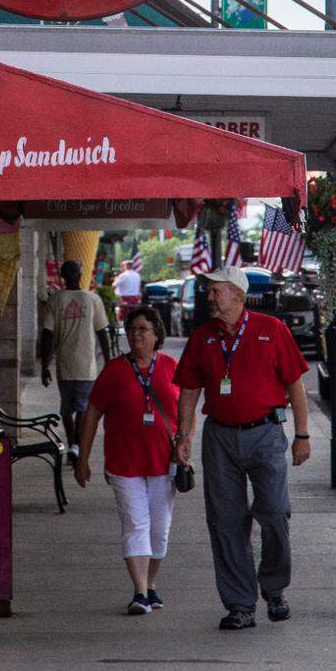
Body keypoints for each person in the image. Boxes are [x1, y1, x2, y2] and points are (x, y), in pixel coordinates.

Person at [174, 266, 310, 631]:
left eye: (215, 291)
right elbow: (189, 389)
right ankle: (240, 604)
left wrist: (303, 435)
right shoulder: (202, 337)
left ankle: (275, 588)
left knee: (275, 513)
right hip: (219, 437)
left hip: (265, 433)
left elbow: (295, 384)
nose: (209, 296)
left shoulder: (271, 329)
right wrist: (182, 435)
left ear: (236, 293)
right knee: (226, 522)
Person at [75, 306, 179, 615]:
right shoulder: (115, 370)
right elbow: (92, 414)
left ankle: (151, 585)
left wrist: (185, 440)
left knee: (159, 529)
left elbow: (185, 410)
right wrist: (83, 457)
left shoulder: (171, 367)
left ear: (156, 335)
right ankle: (139, 592)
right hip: (124, 463)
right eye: (132, 329)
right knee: (135, 523)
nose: (136, 334)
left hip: (163, 462)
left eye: (143, 329)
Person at [41, 260, 110, 454]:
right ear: (80, 276)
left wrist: (44, 367)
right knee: (82, 408)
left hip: (65, 365)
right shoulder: (92, 299)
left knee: (66, 409)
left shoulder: (56, 300)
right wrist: (109, 360)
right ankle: (76, 446)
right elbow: (102, 332)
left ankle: (73, 443)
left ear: (62, 277)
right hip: (86, 366)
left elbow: (47, 334)